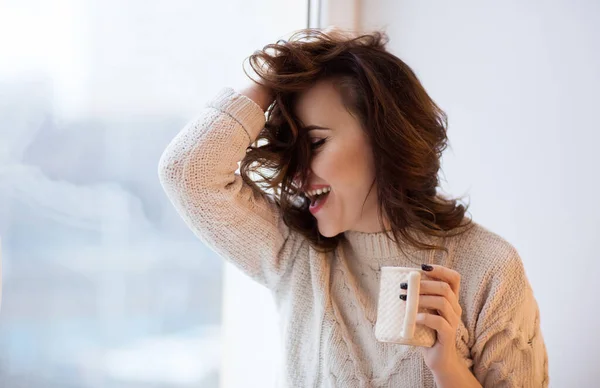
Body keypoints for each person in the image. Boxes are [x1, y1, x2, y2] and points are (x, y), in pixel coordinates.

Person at [158, 27, 549, 387]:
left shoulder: (490, 268)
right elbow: (189, 173)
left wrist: (447, 367)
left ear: (384, 136)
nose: (296, 175)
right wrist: (273, 75)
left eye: (315, 143)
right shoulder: (295, 254)